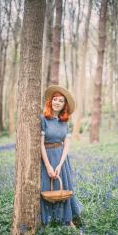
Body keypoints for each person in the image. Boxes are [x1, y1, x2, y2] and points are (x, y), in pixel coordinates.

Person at [40, 85, 82, 227]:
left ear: (64, 105)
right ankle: (48, 222)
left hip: (61, 160)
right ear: (50, 101)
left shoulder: (64, 122)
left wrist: (59, 165)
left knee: (64, 188)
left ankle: (68, 220)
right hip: (47, 158)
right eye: (55, 99)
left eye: (61, 101)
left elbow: (67, 145)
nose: (57, 102)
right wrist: (48, 166)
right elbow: (40, 145)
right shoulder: (43, 119)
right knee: (47, 188)